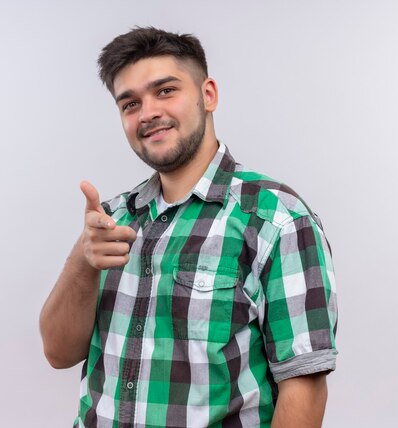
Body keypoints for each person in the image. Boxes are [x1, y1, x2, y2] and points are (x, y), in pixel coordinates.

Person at [40, 27, 338, 427]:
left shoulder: (277, 220)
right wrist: (84, 258)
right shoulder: (113, 221)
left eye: (165, 91)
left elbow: (304, 388)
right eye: (130, 103)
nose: (147, 113)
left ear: (208, 94)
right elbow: (58, 352)